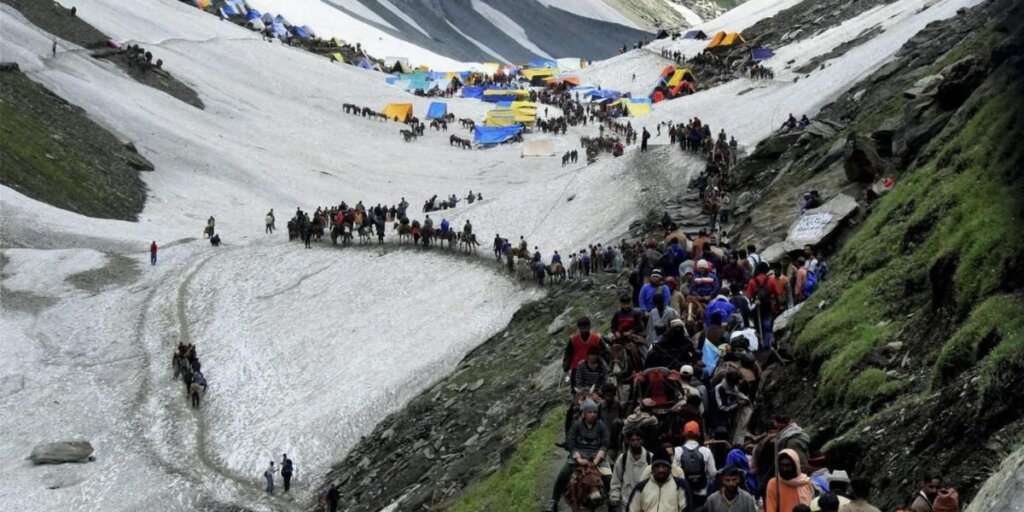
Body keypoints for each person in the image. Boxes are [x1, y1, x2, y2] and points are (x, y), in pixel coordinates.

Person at [549, 399, 611, 512]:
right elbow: (571, 442)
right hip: (578, 457)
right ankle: (554, 501)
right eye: (589, 412)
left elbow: (605, 443)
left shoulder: (601, 426)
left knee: (608, 478)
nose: (592, 415)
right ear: (584, 413)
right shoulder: (576, 425)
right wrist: (579, 458)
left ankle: (611, 502)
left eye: (595, 412)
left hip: (597, 457)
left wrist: (596, 460)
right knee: (563, 474)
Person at [626, 452, 691, 512]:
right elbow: (632, 509)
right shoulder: (641, 487)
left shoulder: (680, 484)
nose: (661, 470)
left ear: (670, 469)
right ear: (652, 469)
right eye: (657, 466)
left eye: (664, 466)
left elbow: (686, 508)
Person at [674, 420, 716, 508]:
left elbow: (675, 473)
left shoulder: (677, 450)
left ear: (684, 434)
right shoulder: (706, 451)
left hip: (683, 492)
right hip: (701, 491)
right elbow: (712, 473)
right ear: (699, 434)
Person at [611, 432, 652, 512]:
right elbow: (616, 479)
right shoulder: (623, 458)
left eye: (638, 439)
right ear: (628, 441)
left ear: (642, 440)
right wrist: (615, 496)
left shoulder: (650, 457)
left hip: (646, 501)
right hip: (626, 500)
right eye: (632, 440)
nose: (635, 442)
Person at [745, 262, 782, 349]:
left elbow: (749, 296)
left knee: (758, 327)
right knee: (767, 327)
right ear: (766, 270)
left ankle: (759, 345)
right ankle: (767, 345)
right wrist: (778, 306)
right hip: (767, 307)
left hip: (756, 309)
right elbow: (776, 294)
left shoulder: (752, 282)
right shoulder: (771, 280)